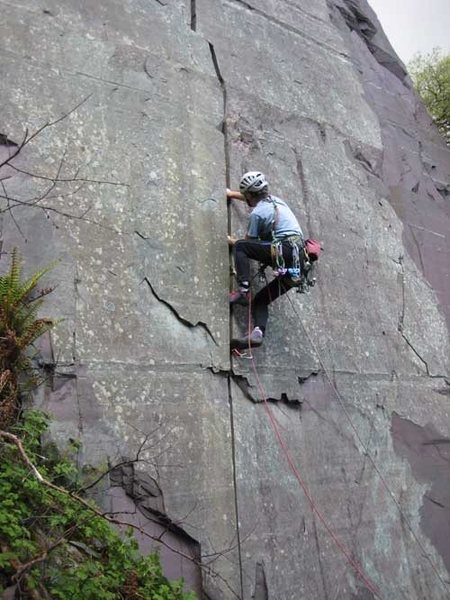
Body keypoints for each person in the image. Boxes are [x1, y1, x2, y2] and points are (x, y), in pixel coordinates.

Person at [227, 171, 304, 348]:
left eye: (245, 195)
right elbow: (252, 199)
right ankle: (258, 333)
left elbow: (247, 243)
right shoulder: (276, 201)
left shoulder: (257, 215)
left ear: (250, 195)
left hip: (284, 251)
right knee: (261, 300)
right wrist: (231, 193)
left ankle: (244, 292)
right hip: (298, 265)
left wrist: (231, 241)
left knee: (241, 247)